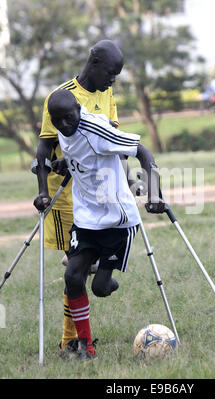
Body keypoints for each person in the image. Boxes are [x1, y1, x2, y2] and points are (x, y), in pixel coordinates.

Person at [44, 89, 165, 359]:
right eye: (57, 120)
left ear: (78, 109)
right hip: (86, 219)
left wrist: (154, 194)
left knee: (99, 288)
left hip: (116, 221)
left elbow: (142, 152)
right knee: (72, 277)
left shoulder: (96, 129)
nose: (64, 125)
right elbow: (83, 155)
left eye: (68, 117)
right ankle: (86, 347)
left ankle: (103, 273)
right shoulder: (64, 128)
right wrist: (67, 163)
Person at [33, 39, 135, 356]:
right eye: (110, 72)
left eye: (116, 74)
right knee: (73, 274)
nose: (113, 80)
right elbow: (44, 147)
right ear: (94, 63)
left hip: (103, 189)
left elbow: (114, 138)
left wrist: (128, 178)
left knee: (85, 272)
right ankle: (70, 342)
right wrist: (42, 190)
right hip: (68, 193)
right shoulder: (62, 97)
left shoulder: (106, 92)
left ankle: (78, 334)